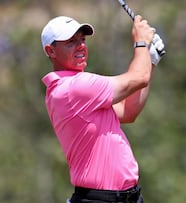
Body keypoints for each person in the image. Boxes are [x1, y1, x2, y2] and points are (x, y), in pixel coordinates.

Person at [40, 15, 165, 203]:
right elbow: (139, 77)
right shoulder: (74, 87)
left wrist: (151, 59)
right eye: (71, 42)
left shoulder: (77, 92)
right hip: (100, 199)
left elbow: (128, 111)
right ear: (51, 51)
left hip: (129, 197)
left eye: (82, 40)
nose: (80, 45)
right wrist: (141, 43)